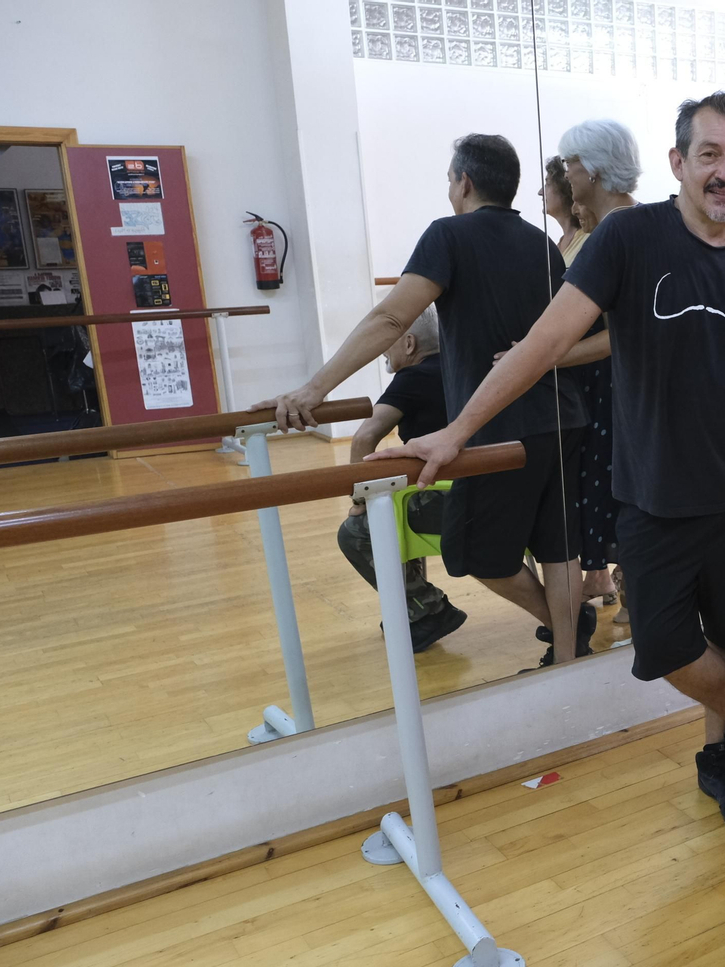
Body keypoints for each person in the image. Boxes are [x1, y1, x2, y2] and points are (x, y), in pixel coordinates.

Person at [374, 92, 725, 833]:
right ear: (678, 162)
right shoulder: (628, 241)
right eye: (710, 154)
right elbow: (545, 344)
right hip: (652, 496)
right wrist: (457, 430)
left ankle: (720, 755)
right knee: (665, 645)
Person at [254, 133, 594, 671]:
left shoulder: (448, 234)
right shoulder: (540, 244)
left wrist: (314, 389)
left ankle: (566, 628)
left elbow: (391, 319)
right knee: (558, 547)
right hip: (565, 415)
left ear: (464, 181)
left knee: (474, 552)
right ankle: (570, 652)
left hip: (500, 428)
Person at [335, 305, 467, 653]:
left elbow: (365, 438)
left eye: (387, 343)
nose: (382, 351)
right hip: (481, 485)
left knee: (356, 532)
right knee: (397, 503)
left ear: (408, 344)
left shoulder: (413, 378)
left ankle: (428, 609)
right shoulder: (462, 367)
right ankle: (412, 609)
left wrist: (359, 503)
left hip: (451, 498)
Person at [558, 118, 645, 619]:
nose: (567, 174)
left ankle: (637, 600)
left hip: (621, 389)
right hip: (612, 389)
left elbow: (618, 335)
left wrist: (547, 355)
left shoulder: (623, 227)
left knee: (623, 493)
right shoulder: (618, 223)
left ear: (591, 169)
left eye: (571, 165)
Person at [541, 155, 589, 262]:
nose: (541, 192)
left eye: (547, 183)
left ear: (565, 187)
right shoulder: (557, 246)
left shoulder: (588, 241)